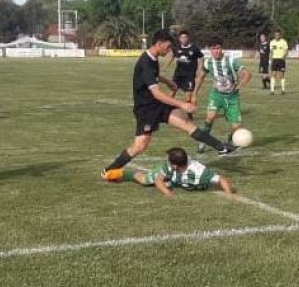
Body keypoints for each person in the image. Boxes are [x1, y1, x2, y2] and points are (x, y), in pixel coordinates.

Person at [101, 30, 238, 182]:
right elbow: (157, 94)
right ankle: (109, 170)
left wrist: (167, 81)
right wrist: (183, 104)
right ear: (159, 44)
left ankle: (220, 147)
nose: (169, 50)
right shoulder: (145, 62)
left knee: (185, 123)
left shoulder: (152, 58)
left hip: (156, 105)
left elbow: (154, 76)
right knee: (140, 145)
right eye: (167, 47)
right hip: (146, 109)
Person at [194, 37, 252, 153]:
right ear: (210, 50)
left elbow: (247, 74)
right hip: (217, 95)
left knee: (236, 128)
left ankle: (230, 142)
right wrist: (194, 94)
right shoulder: (208, 62)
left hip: (232, 97)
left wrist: (239, 86)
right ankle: (203, 140)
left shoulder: (231, 61)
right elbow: (200, 77)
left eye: (218, 48)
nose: (216, 51)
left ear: (222, 48)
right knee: (210, 118)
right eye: (213, 49)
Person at [111, 147, 235, 197]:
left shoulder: (200, 173)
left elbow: (222, 179)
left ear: (175, 165)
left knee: (168, 184)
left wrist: (229, 195)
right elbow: (158, 180)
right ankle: (125, 173)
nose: (167, 161)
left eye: (169, 160)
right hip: (175, 177)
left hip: (177, 179)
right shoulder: (169, 166)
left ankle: (171, 182)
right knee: (145, 180)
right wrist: (169, 194)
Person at [165, 30, 203, 119]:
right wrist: (166, 66)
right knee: (171, 93)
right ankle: (165, 110)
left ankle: (189, 113)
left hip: (189, 76)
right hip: (178, 75)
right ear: (179, 39)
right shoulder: (177, 48)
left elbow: (201, 58)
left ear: (188, 38)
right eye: (182, 37)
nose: (184, 39)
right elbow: (172, 56)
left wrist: (200, 69)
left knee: (188, 98)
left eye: (185, 37)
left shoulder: (194, 48)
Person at [269, 29, 289, 95]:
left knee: (281, 75)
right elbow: (271, 52)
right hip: (274, 60)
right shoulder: (272, 42)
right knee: (273, 74)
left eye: (278, 34)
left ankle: (283, 90)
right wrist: (270, 60)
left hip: (281, 60)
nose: (277, 36)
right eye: (275, 35)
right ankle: (272, 90)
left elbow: (286, 51)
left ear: (280, 35)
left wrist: (284, 57)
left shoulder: (283, 42)